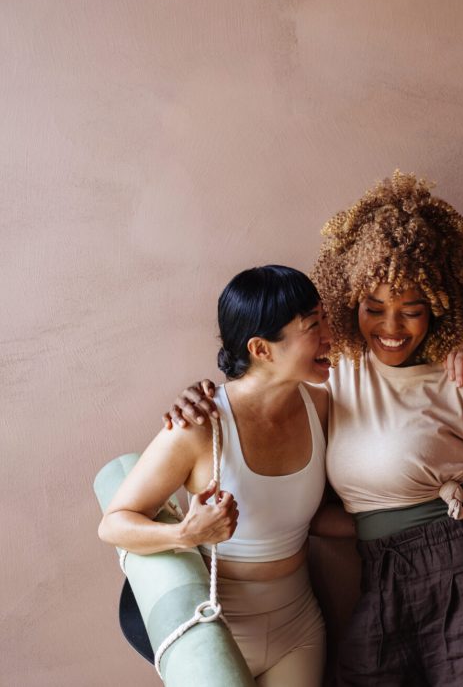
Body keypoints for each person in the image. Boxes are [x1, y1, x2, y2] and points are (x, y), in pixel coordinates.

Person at [166, 172, 463, 687]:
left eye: (412, 311)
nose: (391, 328)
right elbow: (264, 381)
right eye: (374, 309)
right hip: (382, 571)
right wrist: (203, 394)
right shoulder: (334, 374)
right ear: (351, 302)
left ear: (438, 307)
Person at [99, 265, 337, 686]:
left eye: (325, 318)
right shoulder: (200, 425)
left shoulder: (321, 406)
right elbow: (113, 524)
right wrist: (186, 535)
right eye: (313, 325)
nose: (330, 334)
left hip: (299, 628)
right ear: (261, 349)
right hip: (218, 628)